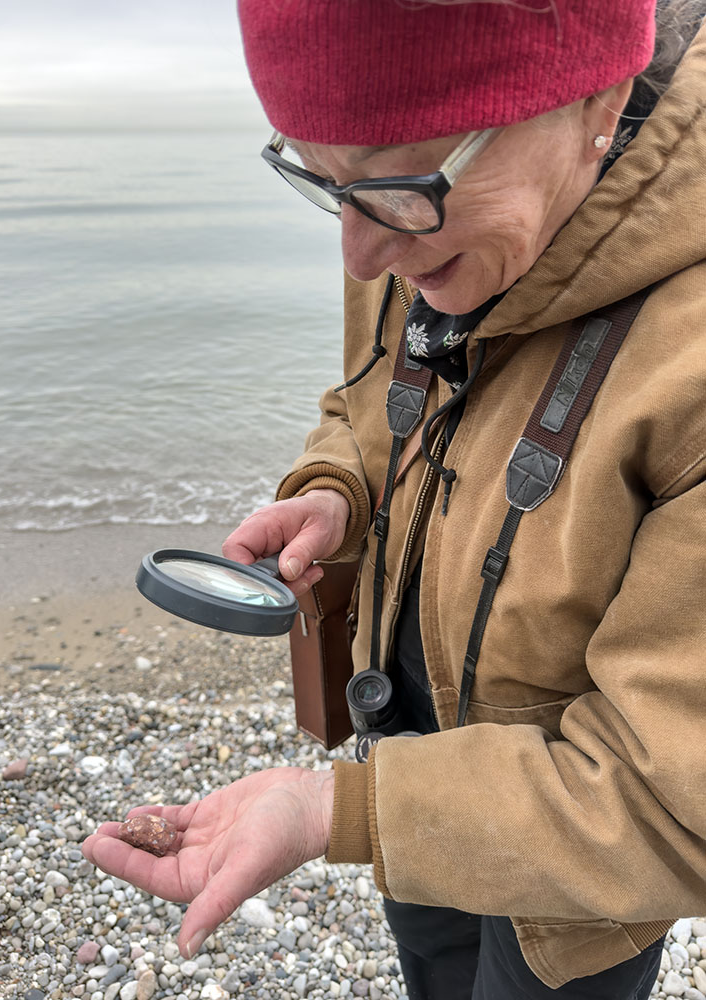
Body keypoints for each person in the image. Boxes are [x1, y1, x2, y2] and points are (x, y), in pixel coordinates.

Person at [82, 1, 706, 996]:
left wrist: (341, 813)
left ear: (595, 93)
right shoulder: (414, 223)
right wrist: (340, 488)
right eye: (322, 185)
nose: (360, 257)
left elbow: (677, 803)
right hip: (404, 742)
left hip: (582, 880)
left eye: (396, 190)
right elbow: (374, 397)